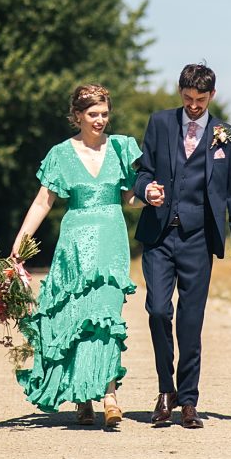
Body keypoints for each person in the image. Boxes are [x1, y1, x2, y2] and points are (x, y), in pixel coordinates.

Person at [11, 83, 140, 428]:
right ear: (78, 117)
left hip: (112, 242)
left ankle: (110, 395)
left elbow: (131, 197)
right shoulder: (61, 155)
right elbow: (43, 202)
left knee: (105, 317)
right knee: (78, 318)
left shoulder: (122, 148)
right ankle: (84, 398)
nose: (100, 120)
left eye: (104, 114)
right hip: (75, 244)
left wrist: (152, 196)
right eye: (93, 114)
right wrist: (20, 243)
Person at [133, 63, 231, 429]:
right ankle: (164, 391)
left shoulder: (227, 136)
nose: (194, 105)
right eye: (188, 98)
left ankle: (187, 400)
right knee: (156, 310)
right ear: (180, 92)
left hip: (199, 239)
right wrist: (146, 190)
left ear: (212, 95)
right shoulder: (161, 123)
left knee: (189, 321)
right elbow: (143, 171)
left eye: (201, 99)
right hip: (159, 235)